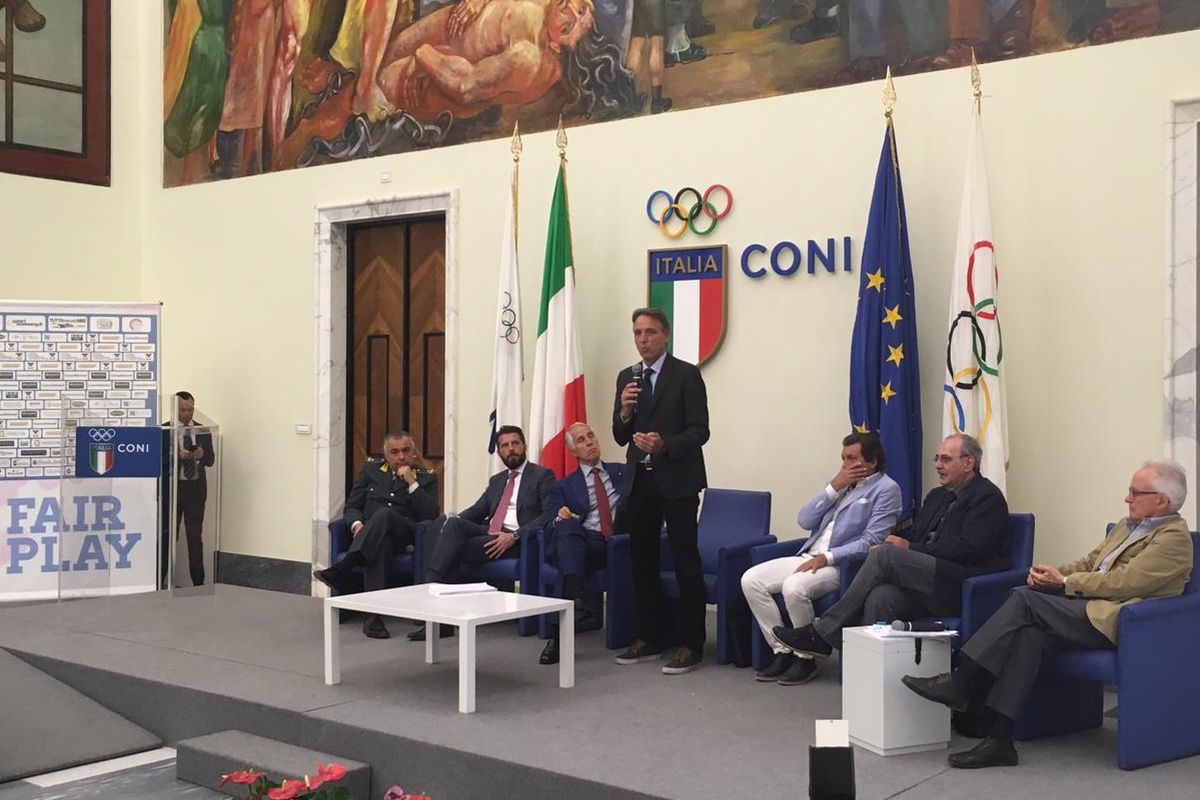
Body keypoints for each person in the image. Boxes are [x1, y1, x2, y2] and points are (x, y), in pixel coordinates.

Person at [902, 460, 1193, 769]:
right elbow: (1090, 562)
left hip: (1124, 623)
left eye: (1135, 492)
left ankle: (962, 680)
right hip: (1087, 610)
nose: (1127, 498)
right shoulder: (1127, 525)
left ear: (1162, 501)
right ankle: (999, 740)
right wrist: (1051, 573)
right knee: (1030, 637)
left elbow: (1124, 583)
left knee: (1025, 600)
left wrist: (1064, 582)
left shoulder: (1173, 539)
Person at [774, 433, 1009, 660]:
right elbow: (917, 534)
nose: (938, 465)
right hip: (927, 583)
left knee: (886, 556)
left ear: (969, 463)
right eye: (936, 458)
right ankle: (865, 672)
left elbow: (970, 548)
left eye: (946, 459)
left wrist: (909, 549)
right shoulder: (937, 496)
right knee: (881, 596)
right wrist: (891, 539)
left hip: (962, 585)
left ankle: (823, 632)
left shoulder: (987, 497)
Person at [742, 431, 901, 685]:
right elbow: (804, 520)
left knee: (793, 587)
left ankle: (806, 657)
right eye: (843, 458)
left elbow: (872, 541)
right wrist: (834, 487)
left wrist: (827, 558)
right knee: (751, 579)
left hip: (842, 564)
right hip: (809, 554)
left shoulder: (886, 489)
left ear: (871, 462)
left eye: (852, 459)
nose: (845, 465)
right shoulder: (839, 484)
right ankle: (782, 650)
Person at [612, 307, 710, 675]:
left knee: (686, 563)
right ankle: (649, 636)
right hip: (640, 482)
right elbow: (620, 435)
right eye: (637, 333)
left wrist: (664, 444)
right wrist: (624, 412)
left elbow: (700, 430)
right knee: (643, 562)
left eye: (650, 332)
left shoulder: (686, 374)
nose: (643, 340)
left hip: (677, 482)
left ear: (665, 335)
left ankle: (691, 643)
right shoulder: (628, 377)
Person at [409, 425, 554, 641]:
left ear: (524, 446)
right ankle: (435, 600)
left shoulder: (542, 476)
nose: (511, 449)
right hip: (490, 532)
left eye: (515, 443)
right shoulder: (497, 480)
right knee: (451, 525)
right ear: (499, 452)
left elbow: (549, 514)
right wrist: (448, 525)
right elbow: (478, 510)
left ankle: (431, 599)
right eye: (505, 445)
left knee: (450, 549)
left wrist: (515, 536)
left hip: (517, 540)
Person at [313, 431, 441, 639]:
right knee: (380, 546)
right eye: (395, 452)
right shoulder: (371, 470)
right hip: (374, 537)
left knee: (385, 514)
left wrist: (411, 483)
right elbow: (353, 506)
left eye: (406, 451)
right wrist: (356, 525)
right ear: (386, 455)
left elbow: (431, 514)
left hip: (406, 536)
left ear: (413, 452)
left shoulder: (426, 477)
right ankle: (373, 620)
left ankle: (344, 567)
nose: (401, 457)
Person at [538, 422, 626, 665]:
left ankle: (558, 634)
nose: (589, 442)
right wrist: (561, 515)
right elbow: (549, 521)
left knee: (568, 558)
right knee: (566, 528)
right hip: (585, 542)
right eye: (581, 440)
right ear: (573, 451)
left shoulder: (622, 472)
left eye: (591, 436)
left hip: (615, 543)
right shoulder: (563, 486)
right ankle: (576, 593)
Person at [165, 391, 216, 587]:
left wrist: (201, 455)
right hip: (173, 491)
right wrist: (177, 456)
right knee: (169, 536)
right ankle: (161, 581)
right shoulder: (165, 430)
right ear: (174, 409)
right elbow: (159, 462)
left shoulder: (203, 430)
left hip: (195, 491)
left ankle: (198, 583)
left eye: (190, 410)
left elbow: (210, 460)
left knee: (195, 537)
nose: (187, 414)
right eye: (183, 410)